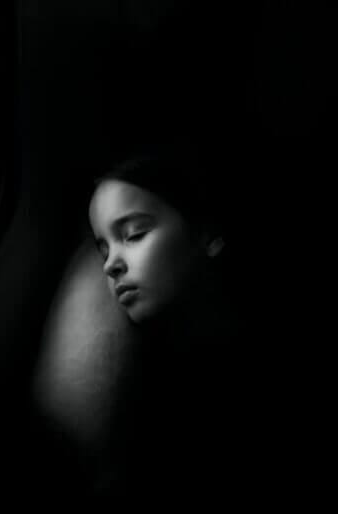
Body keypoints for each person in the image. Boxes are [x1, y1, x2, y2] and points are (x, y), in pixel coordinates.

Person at [85, 147, 255, 507]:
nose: (111, 265)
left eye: (133, 234)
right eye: (103, 248)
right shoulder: (142, 380)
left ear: (206, 235)